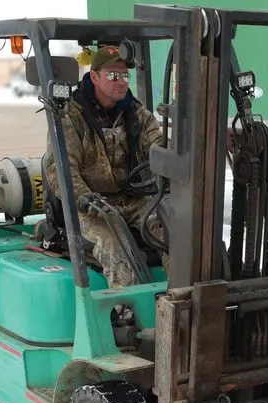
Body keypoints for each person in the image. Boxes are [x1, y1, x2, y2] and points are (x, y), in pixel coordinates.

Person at [44, 45, 165, 288]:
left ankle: (180, 297)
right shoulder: (71, 116)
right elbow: (61, 168)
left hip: (134, 198)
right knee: (116, 243)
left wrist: (178, 162)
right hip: (91, 205)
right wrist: (84, 197)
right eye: (112, 75)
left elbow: (158, 147)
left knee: (172, 228)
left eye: (124, 76)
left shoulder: (138, 115)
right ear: (94, 77)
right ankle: (127, 311)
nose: (120, 82)